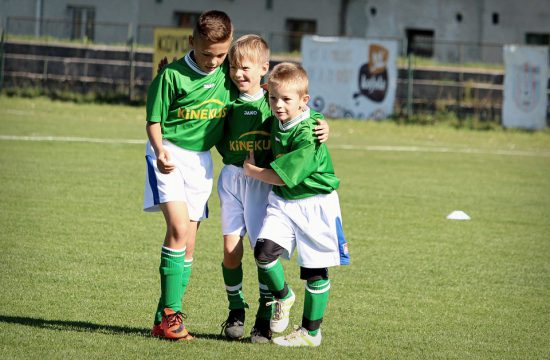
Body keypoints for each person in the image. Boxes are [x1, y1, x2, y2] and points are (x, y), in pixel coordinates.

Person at [216, 35, 330, 343]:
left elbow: (301, 110)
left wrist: (323, 123)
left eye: (246, 68)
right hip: (231, 177)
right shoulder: (225, 96)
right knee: (230, 251)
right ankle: (236, 309)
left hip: (262, 181)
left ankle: (263, 321)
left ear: (264, 69)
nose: (238, 73)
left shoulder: (272, 100)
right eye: (234, 67)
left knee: (261, 252)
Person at [143, 10, 236, 341]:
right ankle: (171, 319)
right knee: (179, 230)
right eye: (207, 53)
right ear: (191, 42)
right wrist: (159, 150)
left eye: (221, 54)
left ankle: (161, 318)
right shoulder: (172, 76)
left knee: (190, 242)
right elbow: (153, 121)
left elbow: (265, 92)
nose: (214, 61)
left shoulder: (229, 75)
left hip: (201, 162)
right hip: (168, 153)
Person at [243, 62, 349, 347]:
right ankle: (283, 296)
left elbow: (280, 176)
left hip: (316, 204)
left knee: (314, 270)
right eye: (273, 98)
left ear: (303, 101)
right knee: (263, 252)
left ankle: (310, 333)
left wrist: (252, 172)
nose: (278, 105)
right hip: (283, 203)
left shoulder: (307, 134)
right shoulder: (285, 116)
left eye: (286, 99)